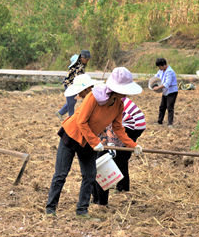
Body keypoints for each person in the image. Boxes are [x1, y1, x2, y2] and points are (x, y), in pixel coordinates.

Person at [46, 67, 143, 221]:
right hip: (72, 135)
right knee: (61, 174)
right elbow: (80, 121)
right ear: (115, 89)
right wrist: (95, 141)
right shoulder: (94, 97)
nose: (126, 93)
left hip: (89, 140)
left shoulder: (119, 105)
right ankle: (50, 209)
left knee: (90, 175)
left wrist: (133, 145)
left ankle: (82, 211)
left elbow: (118, 128)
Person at [92, 97, 146, 206]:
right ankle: (102, 196)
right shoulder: (100, 102)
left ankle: (120, 187)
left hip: (131, 125)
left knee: (119, 156)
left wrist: (130, 145)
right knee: (110, 157)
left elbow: (112, 128)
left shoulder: (111, 104)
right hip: (124, 124)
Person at [56, 49, 91, 120]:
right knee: (71, 102)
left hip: (73, 84)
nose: (87, 61)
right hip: (69, 84)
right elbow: (79, 79)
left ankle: (60, 112)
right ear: (82, 58)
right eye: (86, 60)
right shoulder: (79, 67)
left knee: (72, 101)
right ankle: (71, 118)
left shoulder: (81, 64)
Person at [152, 57, 178, 128]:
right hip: (165, 91)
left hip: (172, 91)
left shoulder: (169, 71)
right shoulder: (161, 70)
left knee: (170, 107)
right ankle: (159, 122)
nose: (159, 68)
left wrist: (158, 87)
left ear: (163, 65)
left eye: (159, 66)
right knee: (162, 107)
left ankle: (170, 124)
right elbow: (156, 77)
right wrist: (153, 83)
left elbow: (167, 83)